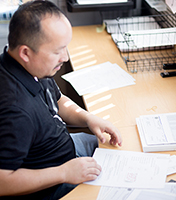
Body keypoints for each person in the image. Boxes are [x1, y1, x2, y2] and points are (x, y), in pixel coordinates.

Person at [0, 1, 122, 199]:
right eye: (57, 51)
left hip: (65, 150)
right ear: (25, 53)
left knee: (120, 149)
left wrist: (88, 118)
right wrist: (64, 173)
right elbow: (2, 182)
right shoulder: (15, 111)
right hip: (53, 182)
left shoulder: (26, 66)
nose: (65, 57)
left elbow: (57, 101)